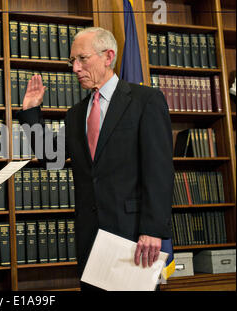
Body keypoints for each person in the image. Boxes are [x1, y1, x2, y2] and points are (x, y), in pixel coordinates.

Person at [18, 27, 174, 290]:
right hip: (91, 239)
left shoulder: (145, 100)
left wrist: (153, 229)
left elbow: (159, 169)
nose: (75, 68)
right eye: (72, 61)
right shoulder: (76, 114)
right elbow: (50, 157)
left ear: (108, 56)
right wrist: (31, 112)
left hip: (134, 237)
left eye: (82, 59)